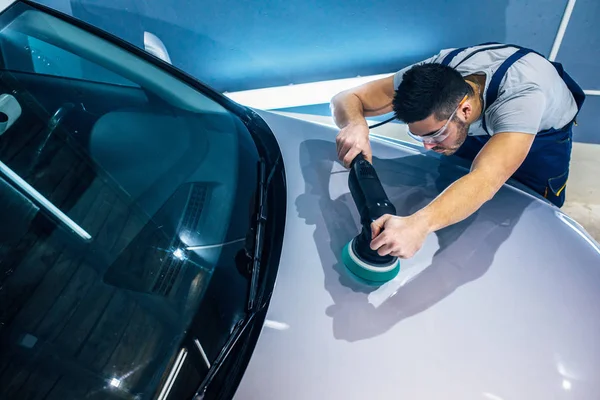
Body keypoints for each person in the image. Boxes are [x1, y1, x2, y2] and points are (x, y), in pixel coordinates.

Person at [330, 42, 585, 260]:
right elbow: (346, 98)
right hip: (471, 120)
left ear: (465, 111)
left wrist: (421, 224)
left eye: (434, 135)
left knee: (532, 212)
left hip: (542, 138)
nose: (427, 146)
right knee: (453, 184)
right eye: (419, 135)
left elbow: (485, 179)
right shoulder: (434, 73)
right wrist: (356, 124)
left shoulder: (521, 99)